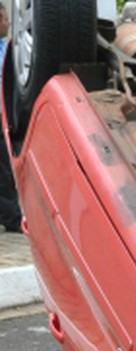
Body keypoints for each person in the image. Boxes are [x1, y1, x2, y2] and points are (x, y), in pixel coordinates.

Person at [0, 3, 21, 232]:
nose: (8, 23)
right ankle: (12, 218)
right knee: (3, 172)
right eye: (5, 19)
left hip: (6, 116)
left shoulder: (7, 47)